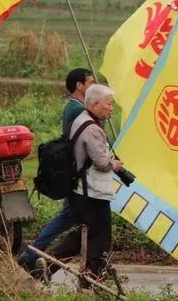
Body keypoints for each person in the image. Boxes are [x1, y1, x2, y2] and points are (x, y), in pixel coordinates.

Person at [18, 68, 94, 273]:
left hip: (75, 172)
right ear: (79, 86)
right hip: (76, 173)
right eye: (90, 84)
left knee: (70, 218)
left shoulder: (75, 107)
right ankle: (32, 255)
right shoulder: (78, 110)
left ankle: (37, 257)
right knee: (68, 218)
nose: (92, 88)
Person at [49, 84, 124, 281]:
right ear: (94, 104)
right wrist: (115, 164)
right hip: (92, 191)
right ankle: (92, 274)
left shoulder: (83, 120)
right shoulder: (92, 129)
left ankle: (52, 266)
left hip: (83, 190)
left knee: (86, 233)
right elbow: (101, 162)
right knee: (100, 234)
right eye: (108, 104)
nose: (111, 108)